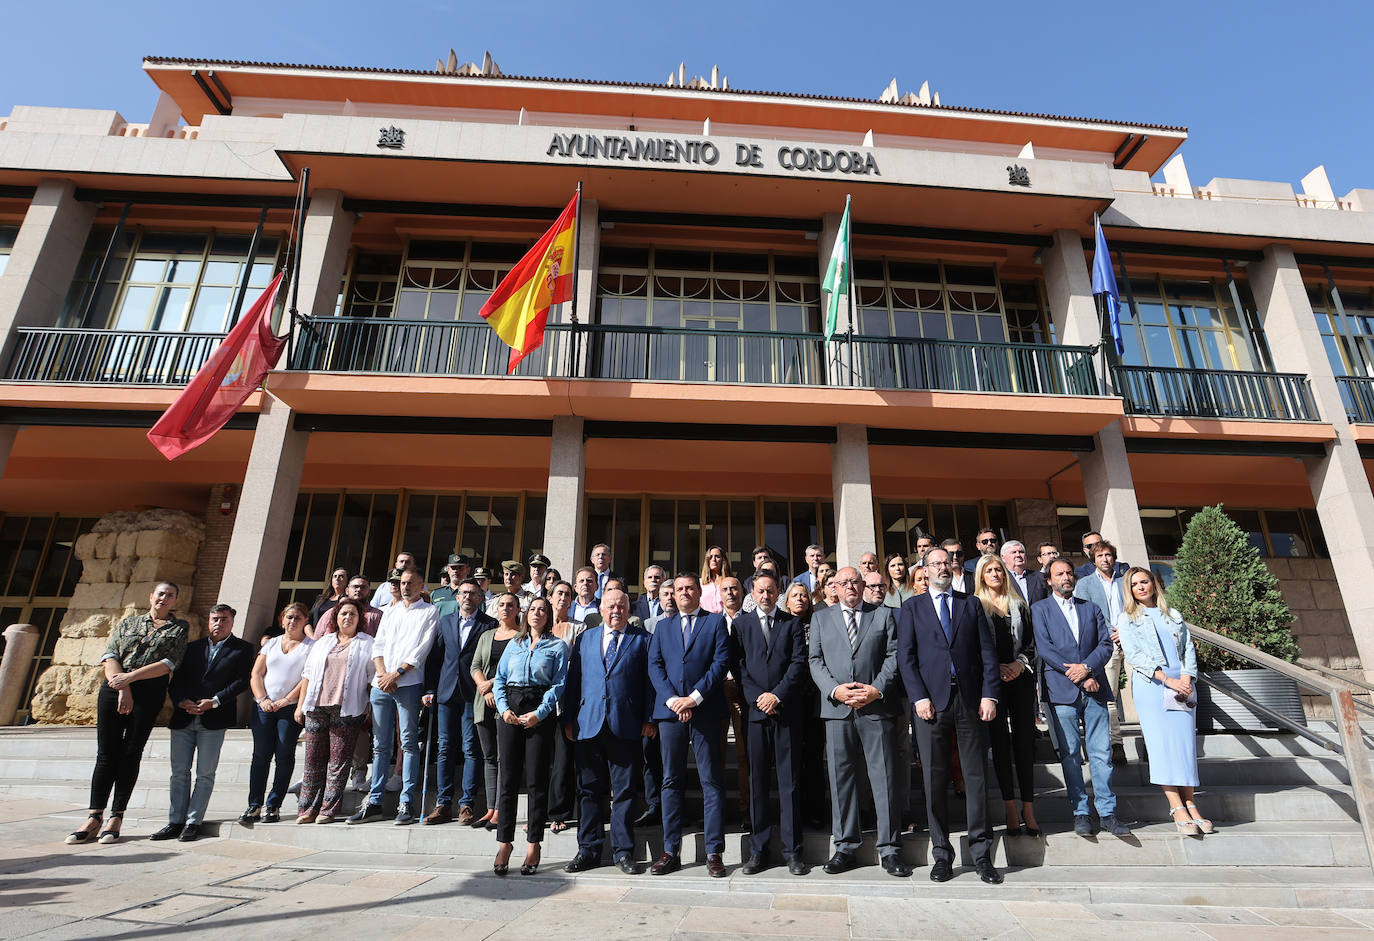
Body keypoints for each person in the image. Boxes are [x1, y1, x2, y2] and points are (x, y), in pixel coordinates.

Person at [896, 549, 1002, 884]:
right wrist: (919, 697)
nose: (943, 567)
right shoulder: (913, 607)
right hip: (931, 704)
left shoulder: (971, 604)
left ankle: (982, 855)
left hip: (970, 701)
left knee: (975, 779)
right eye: (935, 564)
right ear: (924, 571)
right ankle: (941, 854)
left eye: (946, 562)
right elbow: (906, 657)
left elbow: (988, 653)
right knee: (934, 780)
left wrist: (989, 694)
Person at [67, 582, 189, 845]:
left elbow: (169, 663)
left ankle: (116, 816)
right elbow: (110, 655)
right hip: (114, 688)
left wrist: (130, 679)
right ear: (151, 597)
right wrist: (122, 686)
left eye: (170, 595)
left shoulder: (179, 628)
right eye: (160, 594)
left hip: (148, 691)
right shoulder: (128, 623)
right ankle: (93, 816)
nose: (164, 598)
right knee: (106, 754)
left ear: (175, 600)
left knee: (131, 753)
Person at [810, 566, 909, 878]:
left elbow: (894, 656)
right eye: (843, 583)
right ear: (834, 588)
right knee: (842, 780)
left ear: (864, 585)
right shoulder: (821, 618)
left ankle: (890, 849)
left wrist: (876, 689)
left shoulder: (882, 616)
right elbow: (815, 660)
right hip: (837, 711)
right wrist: (835, 690)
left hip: (875, 708)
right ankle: (845, 846)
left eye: (855, 581)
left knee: (884, 779)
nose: (850, 586)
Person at [1033, 559, 1130, 838]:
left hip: (1094, 688)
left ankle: (1108, 812)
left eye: (1069, 573)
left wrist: (1087, 668)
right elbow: (1045, 648)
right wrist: (1076, 673)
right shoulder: (1040, 610)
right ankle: (1081, 812)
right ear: (1049, 580)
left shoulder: (1091, 608)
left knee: (1101, 753)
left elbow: (1105, 643)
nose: (1066, 577)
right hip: (1061, 691)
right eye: (1059, 574)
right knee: (1071, 754)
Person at [562, 588, 654, 873]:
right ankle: (588, 849)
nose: (616, 611)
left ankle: (623, 852)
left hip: (626, 724)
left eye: (621, 606)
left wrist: (649, 719)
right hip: (588, 723)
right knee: (588, 790)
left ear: (629, 610)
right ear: (601, 610)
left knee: (625, 792)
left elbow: (650, 684)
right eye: (611, 606)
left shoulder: (644, 641)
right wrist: (569, 719)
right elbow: (574, 680)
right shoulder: (585, 639)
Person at [1117, 567, 1213, 834]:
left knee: (1183, 746)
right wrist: (1167, 680)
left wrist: (1185, 677)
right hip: (1153, 687)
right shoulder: (1127, 619)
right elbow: (1134, 656)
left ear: (1153, 584)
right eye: (1135, 584)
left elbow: (1187, 649)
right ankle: (1176, 806)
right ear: (1130, 590)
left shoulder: (1173, 615)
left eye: (1144, 581)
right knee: (1162, 747)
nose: (1141, 587)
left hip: (1182, 685)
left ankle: (1192, 804)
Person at [647, 571, 731, 877]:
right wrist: (673, 700)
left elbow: (720, 664)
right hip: (670, 714)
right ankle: (670, 851)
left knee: (712, 781)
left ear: (699, 592)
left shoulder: (715, 622)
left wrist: (693, 699)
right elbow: (654, 666)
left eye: (689, 588)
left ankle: (714, 852)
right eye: (677, 589)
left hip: (705, 711)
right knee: (671, 781)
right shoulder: (662, 627)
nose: (682, 593)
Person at [153, 603, 255, 843]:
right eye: (215, 619)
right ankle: (175, 821)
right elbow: (175, 682)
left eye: (224, 619)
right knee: (179, 772)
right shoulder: (191, 648)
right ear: (209, 621)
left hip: (214, 718)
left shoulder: (242, 649)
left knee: (205, 773)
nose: (219, 623)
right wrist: (181, 702)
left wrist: (216, 701)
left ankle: (193, 822)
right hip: (184, 717)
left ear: (232, 622)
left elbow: (241, 682)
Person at [348, 566, 438, 826]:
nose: (406, 586)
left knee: (408, 742)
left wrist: (395, 675)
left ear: (422, 586)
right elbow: (379, 645)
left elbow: (421, 651)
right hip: (381, 684)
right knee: (380, 745)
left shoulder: (429, 612)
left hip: (408, 684)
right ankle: (374, 800)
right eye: (403, 582)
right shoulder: (390, 610)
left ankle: (406, 801)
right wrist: (382, 674)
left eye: (411, 583)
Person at [731, 572, 808, 875]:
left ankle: (793, 852)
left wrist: (776, 696)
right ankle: (758, 850)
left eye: (771, 591)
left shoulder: (792, 623)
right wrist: (757, 698)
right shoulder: (741, 625)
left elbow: (798, 663)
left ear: (779, 593)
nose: (766, 596)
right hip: (755, 714)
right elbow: (737, 666)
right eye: (761, 591)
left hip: (785, 712)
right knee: (758, 783)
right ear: (753, 592)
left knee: (789, 784)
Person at [492, 597, 569, 875]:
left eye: (543, 611)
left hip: (539, 708)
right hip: (511, 707)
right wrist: (503, 709)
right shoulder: (515, 643)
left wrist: (541, 712)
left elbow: (559, 684)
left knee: (537, 781)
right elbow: (499, 679)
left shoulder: (558, 646)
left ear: (549, 617)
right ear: (526, 614)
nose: (537, 614)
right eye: (533, 609)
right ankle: (504, 842)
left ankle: (534, 842)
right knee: (508, 779)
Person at [973, 555, 1040, 837]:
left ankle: (1028, 807)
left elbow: (1032, 644)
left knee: (1024, 743)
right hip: (992, 683)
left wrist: (1018, 664)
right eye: (989, 570)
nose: (995, 574)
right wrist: (994, 670)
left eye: (998, 569)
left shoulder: (1020, 605)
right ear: (981, 576)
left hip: (1020, 678)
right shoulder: (974, 606)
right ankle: (1009, 806)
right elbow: (971, 646)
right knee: (1000, 746)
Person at [422, 577, 496, 826]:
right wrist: (429, 688)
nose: (467, 597)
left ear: (480, 598)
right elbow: (435, 658)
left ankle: (467, 804)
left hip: (472, 694)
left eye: (473, 593)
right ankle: (443, 803)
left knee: (470, 749)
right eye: (464, 593)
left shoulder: (489, 625)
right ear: (457, 597)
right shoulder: (445, 622)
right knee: (445, 748)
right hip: (445, 693)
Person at [295, 599, 376, 823]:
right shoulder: (323, 642)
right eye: (343, 614)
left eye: (352, 614)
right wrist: (301, 705)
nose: (347, 618)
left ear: (359, 619)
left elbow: (371, 678)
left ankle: (328, 810)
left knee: (338, 761)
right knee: (312, 760)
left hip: (347, 708)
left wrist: (368, 706)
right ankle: (307, 810)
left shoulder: (367, 643)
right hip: (316, 706)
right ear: (336, 617)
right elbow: (307, 675)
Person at [241, 603, 313, 824]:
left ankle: (273, 805)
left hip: (289, 708)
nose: (293, 621)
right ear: (282, 619)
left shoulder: (311, 646)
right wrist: (263, 699)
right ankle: (254, 805)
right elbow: (256, 673)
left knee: (283, 755)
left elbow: (307, 678)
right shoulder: (270, 644)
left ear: (305, 621)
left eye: (298, 618)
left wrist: (286, 700)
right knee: (260, 755)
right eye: (289, 617)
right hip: (263, 707)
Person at [1073, 540, 1130, 766]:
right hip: (1106, 644)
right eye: (1100, 556)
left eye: (1108, 555)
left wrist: (1125, 630)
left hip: (1132, 641)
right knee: (1110, 696)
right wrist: (1112, 633)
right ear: (1093, 560)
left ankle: (1148, 742)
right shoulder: (1085, 584)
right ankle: (1116, 744)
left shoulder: (1126, 581)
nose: (1105, 559)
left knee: (1143, 692)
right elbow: (1086, 616)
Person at [470, 595, 521, 831]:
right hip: (484, 702)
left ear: (518, 609)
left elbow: (517, 670)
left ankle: (501, 808)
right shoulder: (486, 635)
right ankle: (490, 808)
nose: (505, 608)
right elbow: (475, 665)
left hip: (507, 702)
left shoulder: (522, 637)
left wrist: (491, 684)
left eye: (510, 605)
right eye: (501, 605)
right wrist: (483, 686)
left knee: (504, 758)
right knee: (489, 757)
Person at [547, 580, 582, 834]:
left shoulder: (577, 629)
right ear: (549, 597)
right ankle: (539, 813)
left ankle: (559, 812)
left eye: (568, 595)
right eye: (559, 593)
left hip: (563, 700)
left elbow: (575, 666)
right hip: (535, 700)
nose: (563, 598)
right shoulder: (536, 624)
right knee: (538, 760)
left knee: (562, 759)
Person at [316, 575, 382, 636]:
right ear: (347, 591)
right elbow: (317, 638)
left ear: (369, 592)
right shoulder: (331, 613)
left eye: (363, 587)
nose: (358, 590)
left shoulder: (378, 615)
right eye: (355, 587)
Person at [699, 545, 731, 614]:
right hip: (706, 620)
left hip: (725, 619)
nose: (713, 559)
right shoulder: (700, 583)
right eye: (710, 557)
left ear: (723, 559)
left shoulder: (730, 581)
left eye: (717, 556)